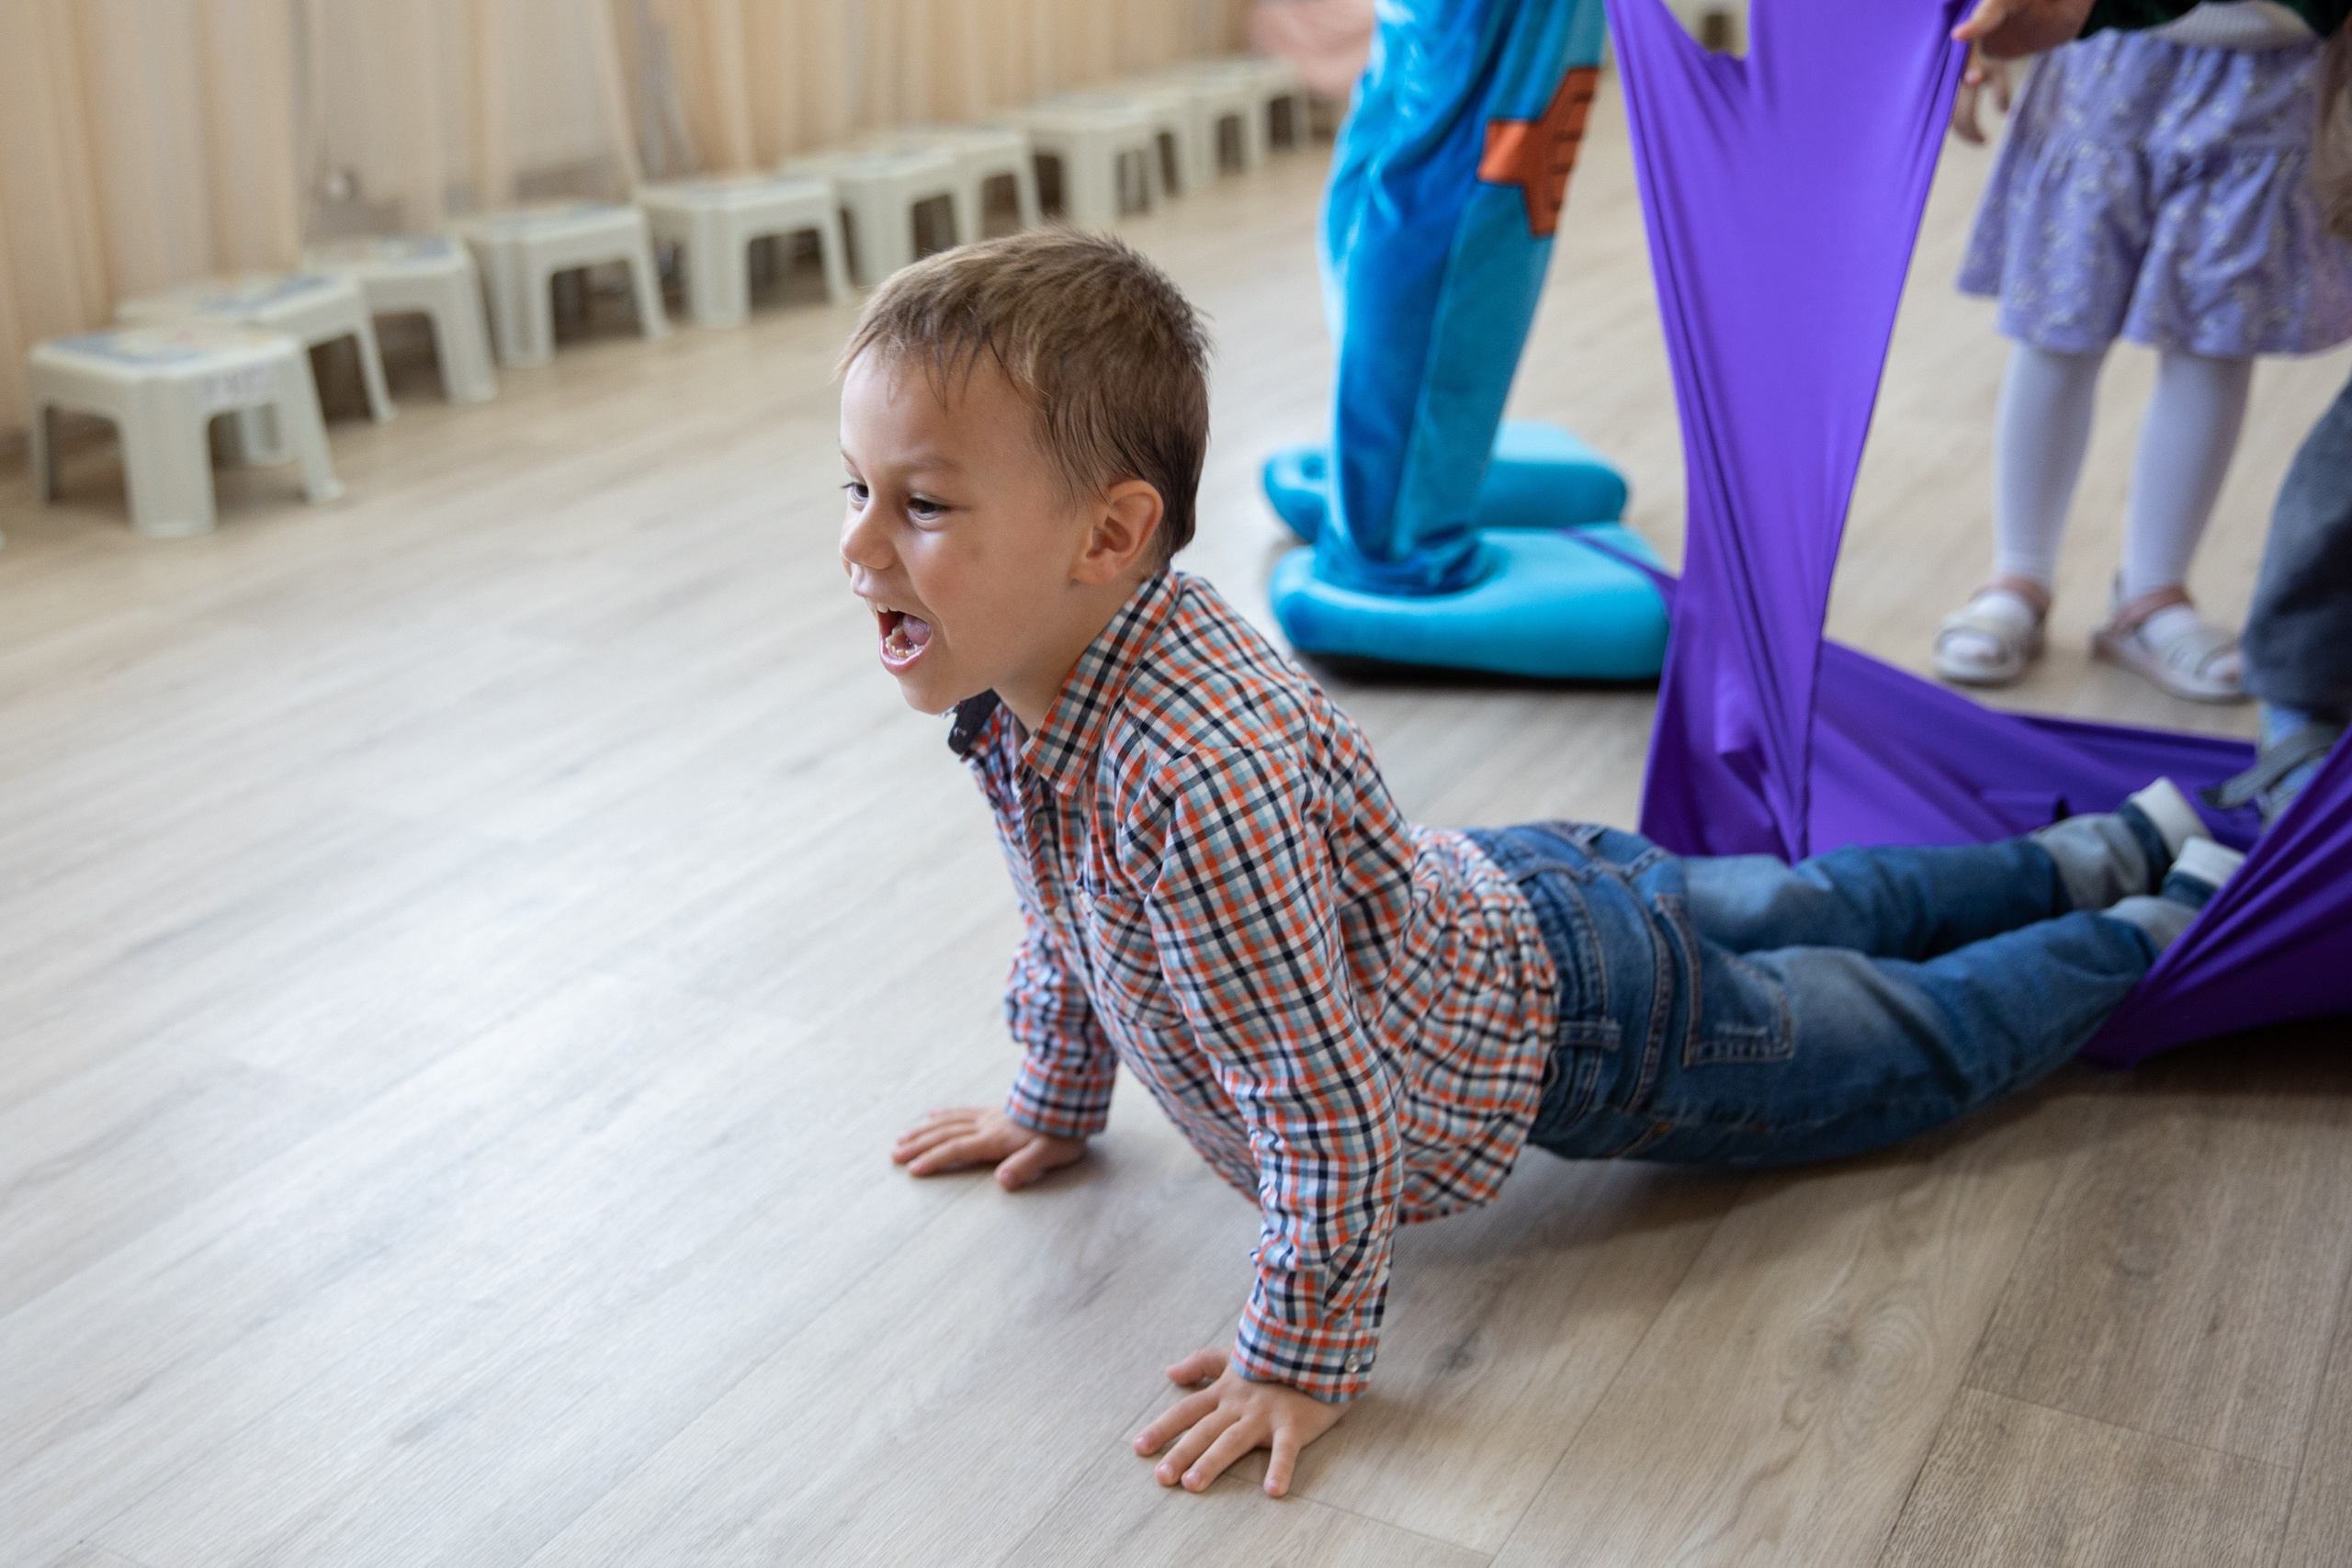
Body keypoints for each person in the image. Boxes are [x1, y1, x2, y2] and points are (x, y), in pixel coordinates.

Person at [842, 231, 2242, 1498]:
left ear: (1108, 534)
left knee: (1900, 1034)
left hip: (1594, 1027)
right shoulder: (1037, 687)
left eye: (921, 506)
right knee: (1829, 901)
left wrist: (1297, 1355)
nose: (857, 548)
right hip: (1524, 892)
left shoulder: (1188, 780)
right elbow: (1066, 919)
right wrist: (1054, 1095)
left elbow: (1330, 1112)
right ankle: (2100, 846)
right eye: (857, 489)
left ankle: (2154, 931)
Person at [1934, 0, 2352, 704]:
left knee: (2213, 345)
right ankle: (2018, 572)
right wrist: (1963, 31)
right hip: (2106, 57)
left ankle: (2152, 593)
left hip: (2272, 76)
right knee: (2057, 331)